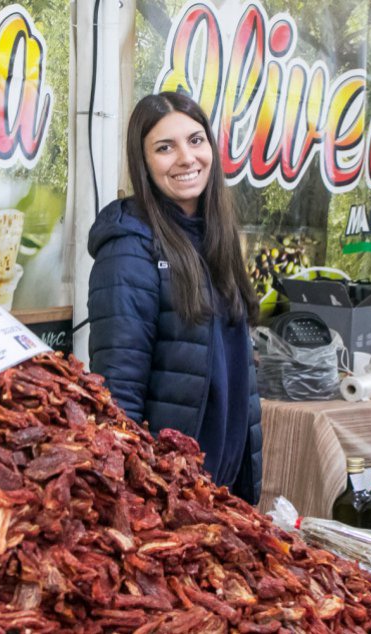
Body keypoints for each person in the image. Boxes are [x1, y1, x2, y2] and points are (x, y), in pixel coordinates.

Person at [86, 91, 262, 504]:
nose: (186, 158)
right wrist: (136, 500)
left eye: (196, 140)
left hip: (223, 488)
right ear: (143, 163)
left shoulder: (215, 237)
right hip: (169, 495)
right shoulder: (130, 249)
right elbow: (118, 395)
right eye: (165, 147)